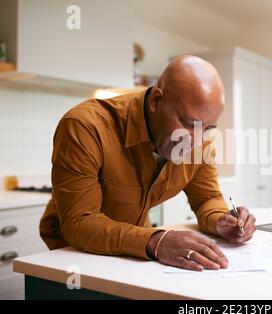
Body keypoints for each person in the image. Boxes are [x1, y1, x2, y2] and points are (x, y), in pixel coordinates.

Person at [39, 55, 257, 271]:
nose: (197, 140)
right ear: (155, 101)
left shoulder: (202, 144)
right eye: (189, 123)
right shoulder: (86, 126)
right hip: (73, 258)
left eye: (208, 128)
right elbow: (79, 223)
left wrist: (222, 221)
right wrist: (157, 241)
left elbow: (206, 199)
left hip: (135, 254)